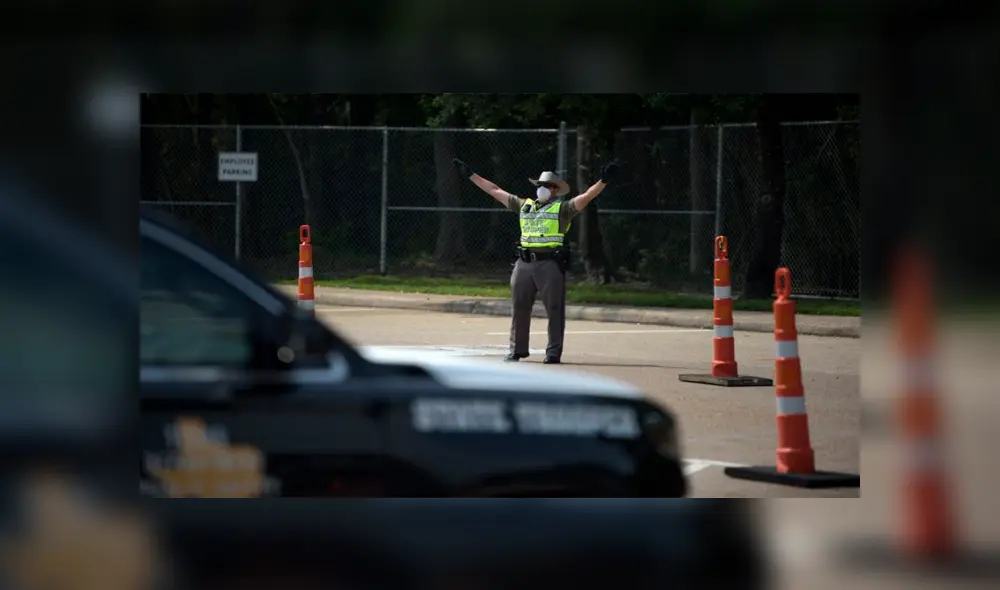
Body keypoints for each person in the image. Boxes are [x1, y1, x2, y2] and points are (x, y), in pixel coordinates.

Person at [452, 157, 620, 364]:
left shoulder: (562, 209)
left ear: (556, 190)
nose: (543, 188)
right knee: (519, 307)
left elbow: (585, 198)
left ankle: (553, 352)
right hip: (524, 263)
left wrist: (602, 182)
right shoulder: (524, 206)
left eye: (548, 186)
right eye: (541, 185)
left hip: (549, 263)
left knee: (555, 309)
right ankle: (517, 350)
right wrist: (471, 174)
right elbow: (494, 190)